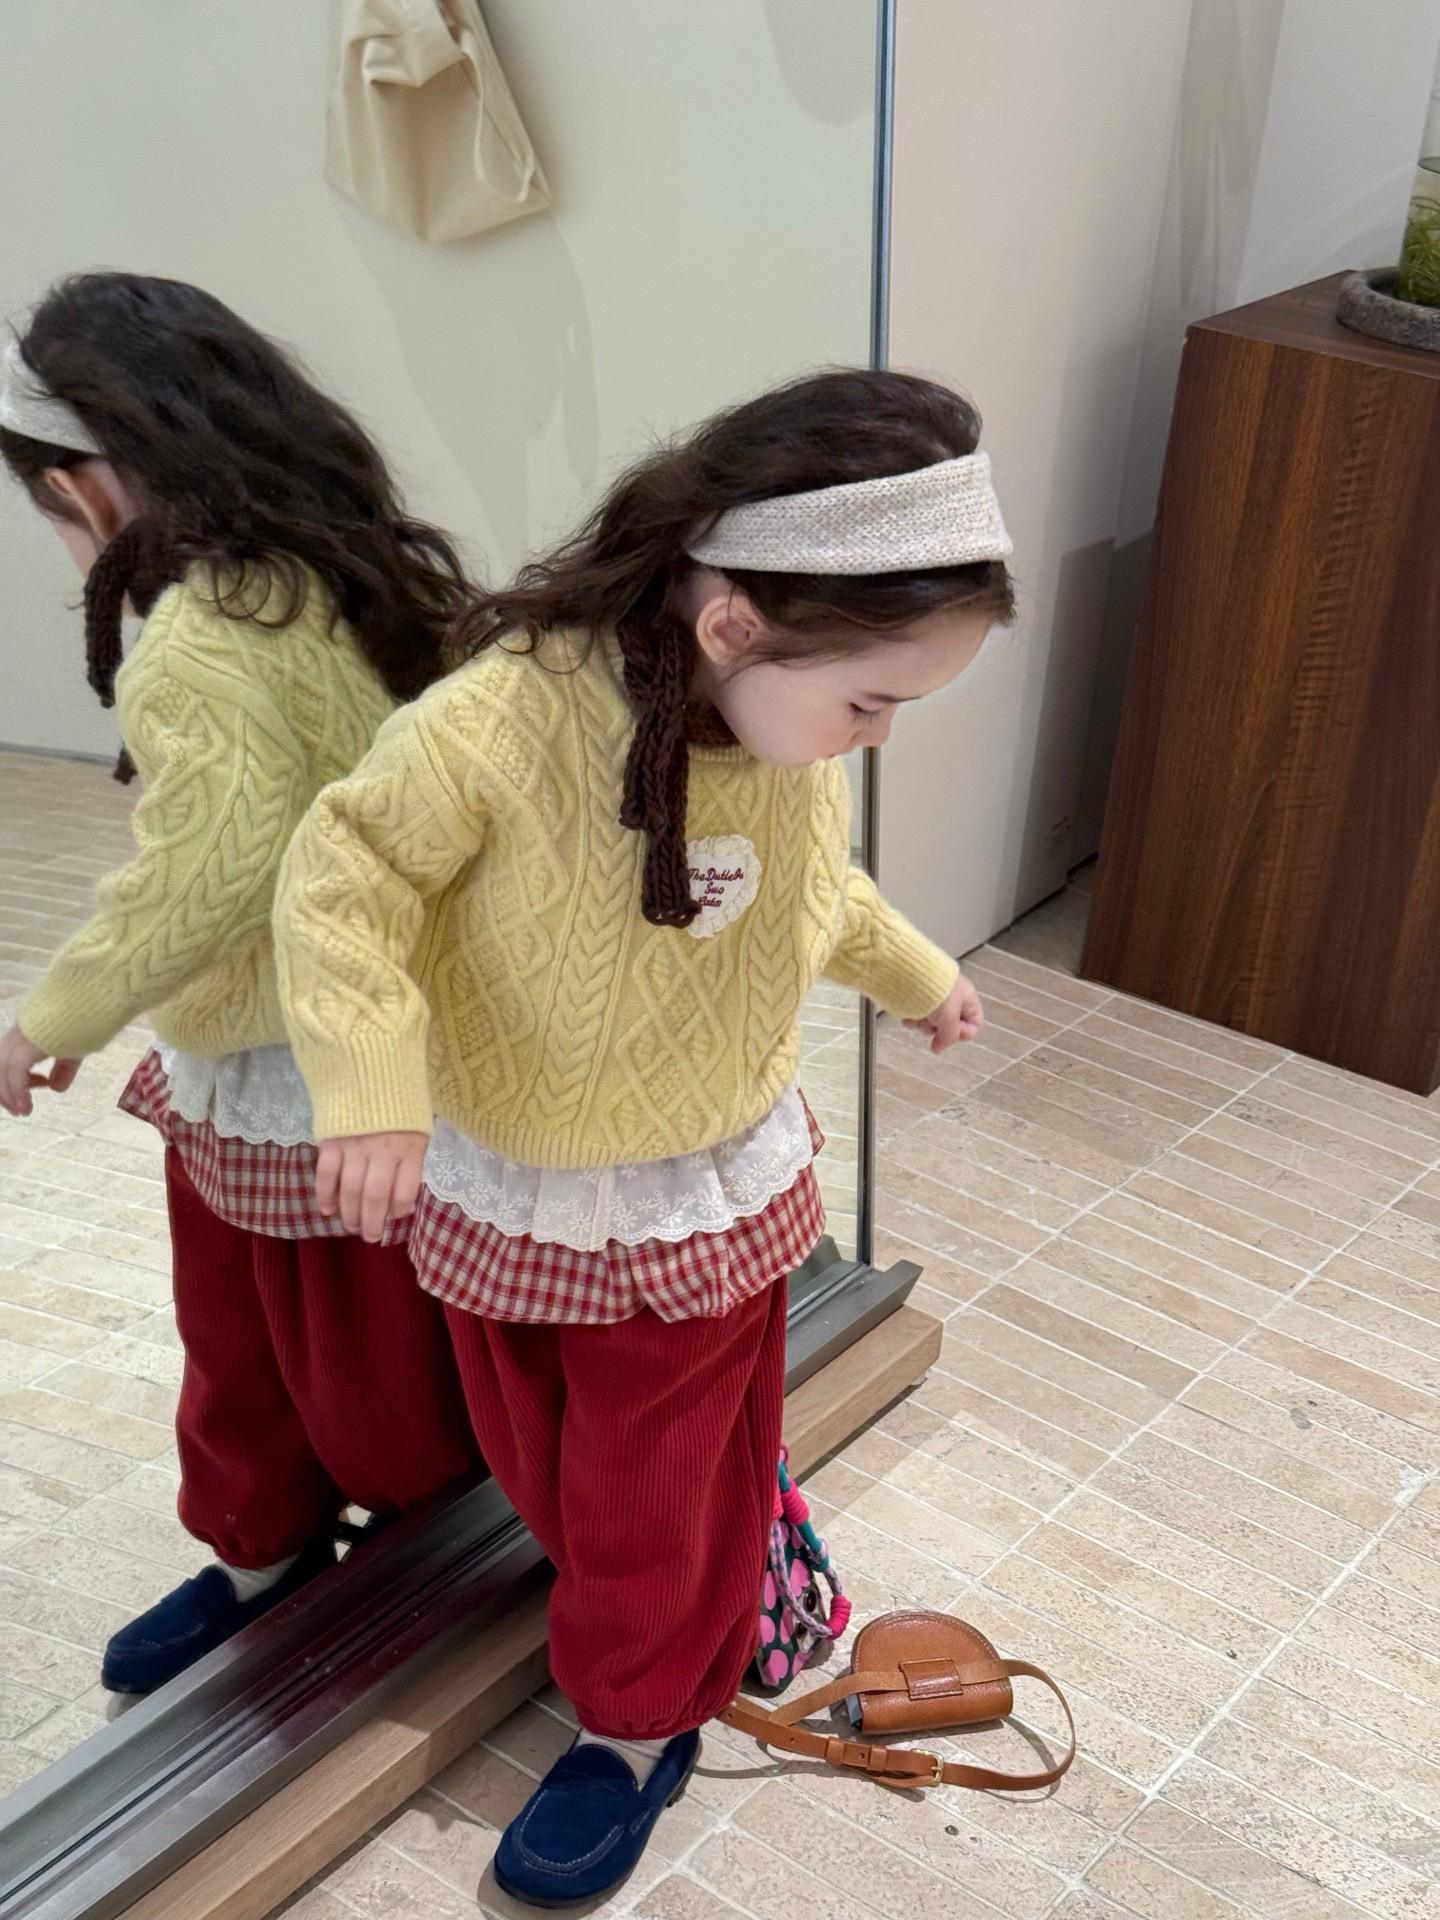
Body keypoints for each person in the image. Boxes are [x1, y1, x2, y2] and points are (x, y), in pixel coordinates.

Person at [275, 368, 1016, 1906]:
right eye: (871, 702)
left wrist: (918, 973)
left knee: (643, 1483)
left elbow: (817, 898)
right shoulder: (502, 719)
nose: (876, 739)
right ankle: (703, 1572)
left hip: (697, 1191)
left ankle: (636, 1719)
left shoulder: (789, 745)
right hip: (509, 1175)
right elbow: (344, 880)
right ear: (732, 622)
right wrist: (371, 1085)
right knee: (537, 1448)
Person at [0, 272, 482, 1693]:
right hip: (373, 1032)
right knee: (352, 1336)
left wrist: (53, 1013)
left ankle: (303, 1556)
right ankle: (330, 1545)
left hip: (283, 1056)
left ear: (84, 483)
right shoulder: (345, 574)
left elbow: (204, 874)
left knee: (264, 1342)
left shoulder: (200, 643)